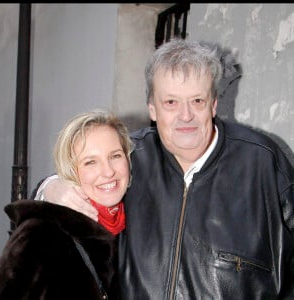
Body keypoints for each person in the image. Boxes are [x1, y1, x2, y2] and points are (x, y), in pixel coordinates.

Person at [33, 39, 294, 299]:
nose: (185, 115)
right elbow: (73, 188)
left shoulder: (263, 164)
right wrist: (51, 187)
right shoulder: (127, 158)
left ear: (213, 104)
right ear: (152, 108)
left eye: (197, 101)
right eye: (171, 102)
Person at [0, 109, 133, 300]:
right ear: (70, 172)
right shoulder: (40, 235)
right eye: (90, 162)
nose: (108, 172)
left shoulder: (135, 224)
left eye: (115, 156)